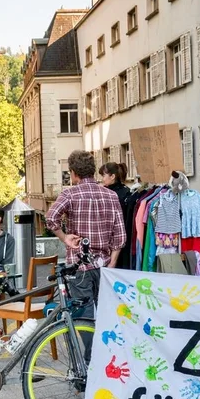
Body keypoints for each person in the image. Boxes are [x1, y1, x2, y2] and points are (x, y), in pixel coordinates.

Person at [46, 150, 126, 351]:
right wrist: (113, 261)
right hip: (105, 264)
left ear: (73, 173)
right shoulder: (111, 195)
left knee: (84, 314)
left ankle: (91, 359)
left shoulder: (70, 194)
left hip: (79, 266)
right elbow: (120, 235)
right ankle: (107, 356)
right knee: (107, 312)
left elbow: (51, 218)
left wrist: (65, 238)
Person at [98, 162, 130, 268]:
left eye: (103, 175)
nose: (102, 179)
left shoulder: (108, 194)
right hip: (124, 240)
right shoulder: (126, 191)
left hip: (110, 240)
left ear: (112, 176)